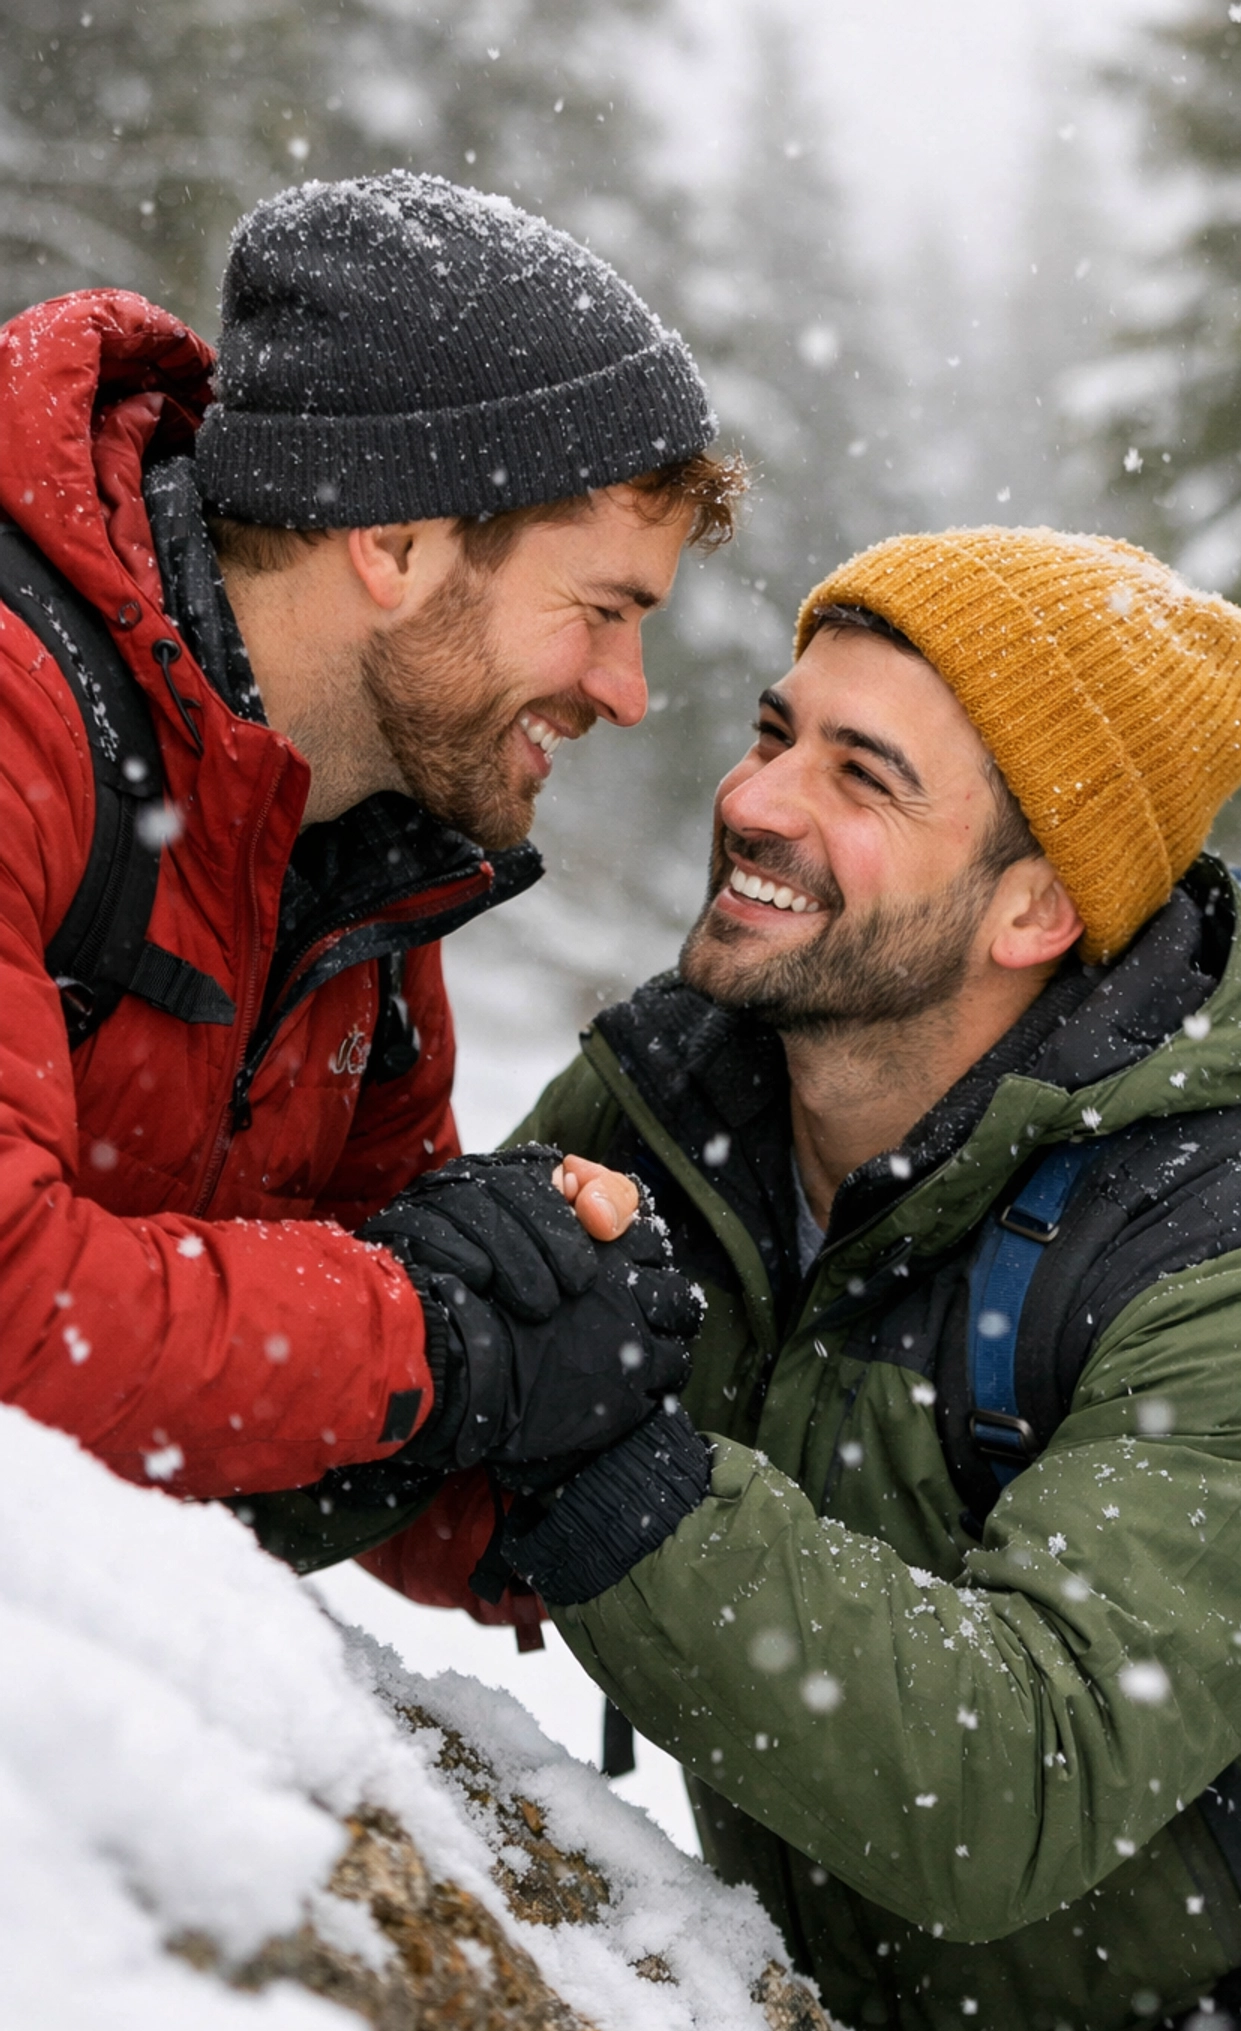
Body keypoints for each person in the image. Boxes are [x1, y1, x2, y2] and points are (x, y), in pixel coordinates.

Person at [343, 525, 1241, 2031]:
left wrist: (609, 1468)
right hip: (871, 2024)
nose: (761, 799)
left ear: (1038, 908)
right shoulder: (686, 1108)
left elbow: (1016, 1783)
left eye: (861, 775)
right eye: (774, 730)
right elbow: (366, 1430)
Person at [0, 171, 742, 1580]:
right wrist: (438, 1334)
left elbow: (346, 1366)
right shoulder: (24, 722)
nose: (629, 692)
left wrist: (572, 1378)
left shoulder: (358, 845)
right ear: (394, 545)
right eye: (600, 612)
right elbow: (17, 1319)